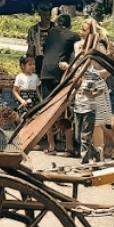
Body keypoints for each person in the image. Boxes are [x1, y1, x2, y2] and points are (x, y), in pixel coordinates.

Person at [71, 18, 111, 164]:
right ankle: (95, 152)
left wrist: (93, 76)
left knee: (96, 124)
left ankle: (92, 157)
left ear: (92, 32)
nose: (81, 32)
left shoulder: (99, 47)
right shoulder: (77, 46)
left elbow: (106, 70)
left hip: (95, 88)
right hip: (81, 90)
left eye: (84, 30)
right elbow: (76, 67)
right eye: (81, 29)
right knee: (80, 133)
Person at [39, 13, 79, 155]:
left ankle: (51, 146)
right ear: (69, 25)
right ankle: (69, 147)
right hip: (60, 73)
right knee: (64, 110)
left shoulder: (50, 34)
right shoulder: (73, 36)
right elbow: (79, 51)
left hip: (45, 72)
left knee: (48, 108)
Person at [25, 2, 55, 73]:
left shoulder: (55, 28)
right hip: (39, 61)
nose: (47, 17)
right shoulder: (33, 30)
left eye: (49, 15)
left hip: (53, 62)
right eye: (45, 15)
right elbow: (31, 48)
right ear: (40, 14)